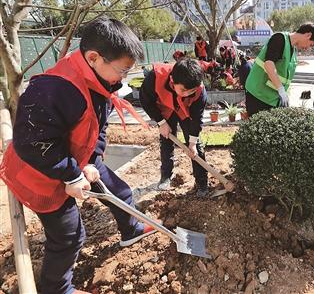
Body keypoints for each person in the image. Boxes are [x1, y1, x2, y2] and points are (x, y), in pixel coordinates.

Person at [0, 16, 156, 294]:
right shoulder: (55, 88)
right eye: (122, 70)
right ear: (94, 57)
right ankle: (57, 288)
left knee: (118, 192)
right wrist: (71, 174)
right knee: (69, 236)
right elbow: (32, 143)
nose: (123, 79)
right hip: (38, 174)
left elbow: (99, 128)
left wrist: (92, 161)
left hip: (73, 161)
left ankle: (130, 231)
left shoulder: (102, 84)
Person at [139, 59, 209, 197]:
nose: (187, 94)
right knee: (166, 141)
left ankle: (202, 183)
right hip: (165, 109)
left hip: (185, 111)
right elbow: (145, 100)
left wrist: (192, 142)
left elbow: (197, 118)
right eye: (183, 90)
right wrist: (160, 122)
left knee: (196, 148)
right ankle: (165, 176)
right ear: (172, 80)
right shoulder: (155, 77)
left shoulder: (199, 91)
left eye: (192, 91)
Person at [245, 23, 314, 116]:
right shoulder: (279, 39)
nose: (307, 48)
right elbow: (269, 64)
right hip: (258, 95)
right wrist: (281, 90)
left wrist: (283, 94)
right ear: (308, 35)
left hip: (272, 98)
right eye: (311, 44)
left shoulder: (293, 52)